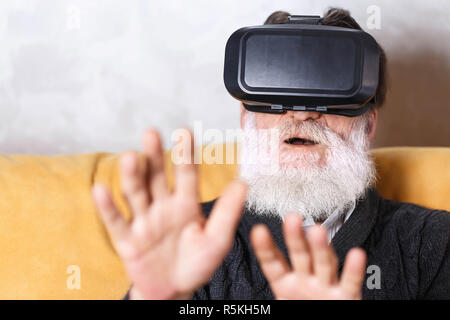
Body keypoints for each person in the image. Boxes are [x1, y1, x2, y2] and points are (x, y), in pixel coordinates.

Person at [91, 8, 450, 300]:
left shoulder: (431, 242)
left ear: (368, 126)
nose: (301, 113)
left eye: (331, 97)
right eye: (278, 95)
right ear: (247, 119)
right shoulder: (192, 239)